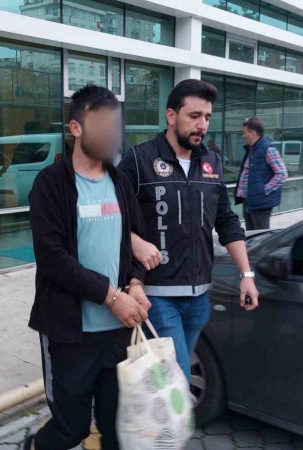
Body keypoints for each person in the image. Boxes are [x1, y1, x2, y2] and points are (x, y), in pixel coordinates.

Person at [24, 85, 150, 450]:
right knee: (71, 428)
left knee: (116, 429)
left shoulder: (120, 182)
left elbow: (135, 242)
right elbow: (52, 258)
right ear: (76, 128)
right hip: (70, 334)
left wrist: (136, 283)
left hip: (118, 333)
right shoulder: (51, 184)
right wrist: (113, 297)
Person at [118, 79, 259, 383]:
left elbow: (226, 221)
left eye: (207, 117)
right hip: (157, 296)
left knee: (166, 383)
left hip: (199, 298)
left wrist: (246, 275)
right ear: (171, 115)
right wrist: (134, 241)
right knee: (178, 381)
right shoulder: (138, 160)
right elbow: (112, 217)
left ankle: (157, 413)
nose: (202, 125)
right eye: (194, 116)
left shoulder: (211, 162)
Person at [234, 116, 288, 231]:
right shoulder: (251, 150)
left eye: (244, 132)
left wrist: (264, 190)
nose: (243, 135)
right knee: (251, 236)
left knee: (261, 236)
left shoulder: (268, 149)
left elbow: (282, 174)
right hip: (249, 201)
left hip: (260, 203)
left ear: (252, 134)